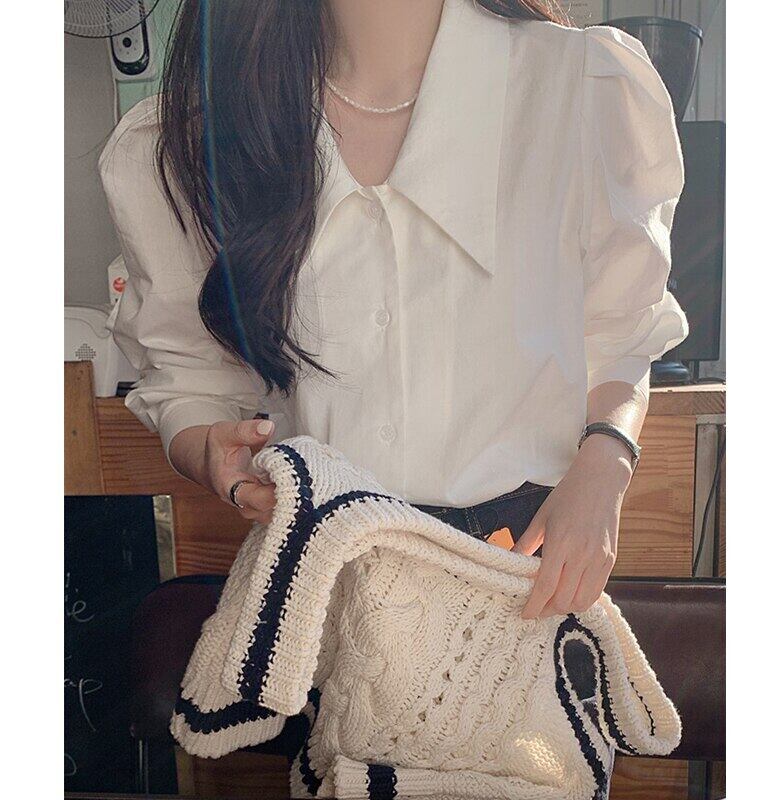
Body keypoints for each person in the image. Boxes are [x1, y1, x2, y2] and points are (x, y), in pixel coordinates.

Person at [100, 0, 687, 626]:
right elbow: (188, 377)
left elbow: (622, 334)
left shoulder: (584, 87)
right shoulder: (198, 136)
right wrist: (214, 455)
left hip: (524, 576)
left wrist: (603, 470)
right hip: (315, 593)